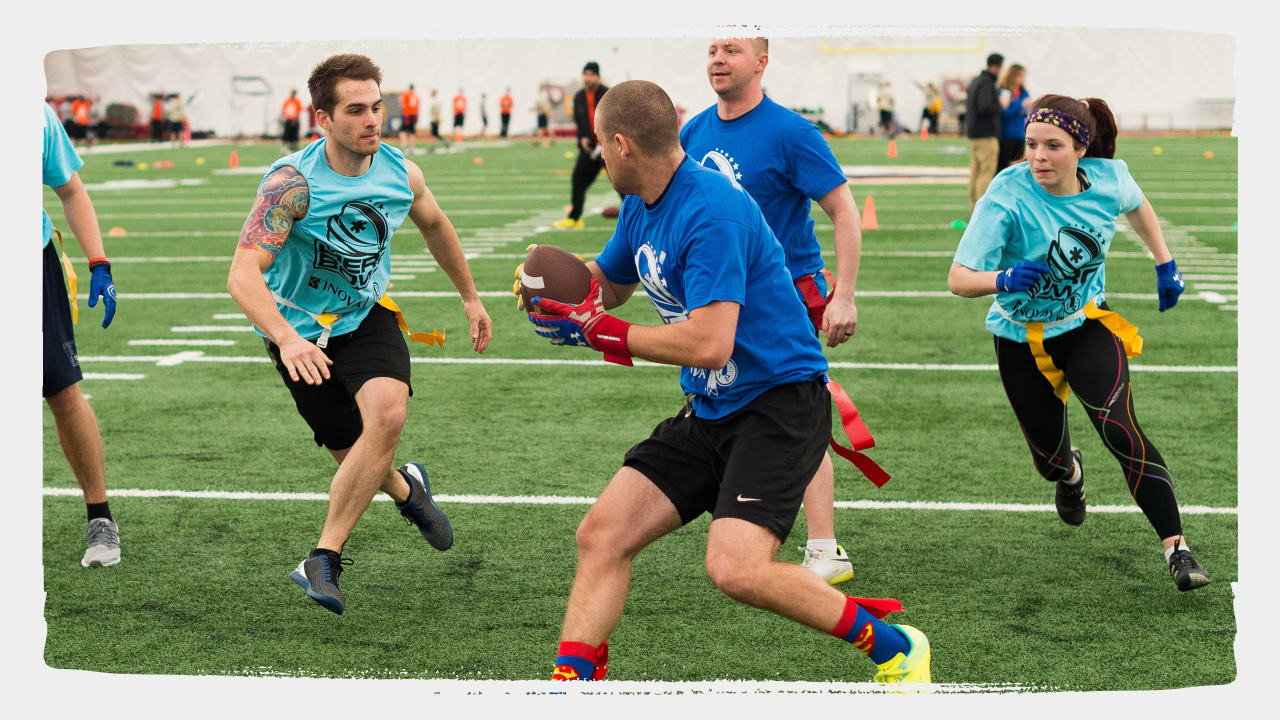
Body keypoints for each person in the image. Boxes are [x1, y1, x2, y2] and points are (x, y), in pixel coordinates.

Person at [520, 80, 931, 685]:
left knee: (738, 569)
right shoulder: (642, 200)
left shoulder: (710, 208)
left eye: (602, 148)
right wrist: (548, 289)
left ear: (622, 143)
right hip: (714, 405)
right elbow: (608, 283)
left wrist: (603, 333)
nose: (598, 159)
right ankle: (573, 683)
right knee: (602, 535)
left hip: (779, 403)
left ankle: (896, 646)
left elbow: (709, 344)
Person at [227, 54, 494, 615]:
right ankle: (408, 491)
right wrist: (287, 339)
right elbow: (242, 274)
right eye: (356, 110)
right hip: (297, 331)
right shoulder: (291, 184)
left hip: (366, 316)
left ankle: (322, 557)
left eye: (377, 106)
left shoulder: (400, 172)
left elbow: (436, 224)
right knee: (354, 453)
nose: (373, 119)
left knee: (388, 416)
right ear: (322, 119)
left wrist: (469, 296)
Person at [947, 94, 1211, 592]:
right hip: (1020, 340)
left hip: (1085, 324)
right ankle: (1070, 472)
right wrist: (1003, 279)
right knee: (1049, 462)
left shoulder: (1108, 178)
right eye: (1030, 145)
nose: (1038, 157)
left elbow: (1137, 204)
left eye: (1053, 145)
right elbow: (958, 279)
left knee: (1122, 430)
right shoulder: (1006, 194)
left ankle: (1177, 548)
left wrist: (1164, 261)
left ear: (1081, 149)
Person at [679, 36, 864, 585]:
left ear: (761, 62)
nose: (717, 58)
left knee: (793, 409)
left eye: (732, 50)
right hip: (725, 297)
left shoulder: (791, 132)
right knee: (732, 402)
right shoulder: (692, 132)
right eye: (712, 48)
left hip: (786, 293)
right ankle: (744, 512)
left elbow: (844, 211)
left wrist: (845, 295)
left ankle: (825, 547)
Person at [42, 101, 121, 568]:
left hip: (31, 264)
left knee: (64, 391)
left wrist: (99, 262)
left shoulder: (34, 111)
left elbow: (70, 190)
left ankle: (100, 517)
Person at [551, 62, 610, 230]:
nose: (587, 78)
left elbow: (615, 121)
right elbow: (580, 122)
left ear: (598, 76)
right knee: (578, 180)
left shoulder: (607, 94)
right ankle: (575, 218)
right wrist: (583, 139)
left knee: (621, 184)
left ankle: (637, 216)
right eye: (585, 74)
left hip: (607, 148)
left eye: (591, 75)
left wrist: (605, 143)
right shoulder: (578, 97)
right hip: (589, 150)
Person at [965, 53, 1004, 212]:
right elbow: (985, 106)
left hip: (975, 133)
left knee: (976, 172)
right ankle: (981, 209)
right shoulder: (987, 83)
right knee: (985, 173)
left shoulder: (976, 80)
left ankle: (974, 206)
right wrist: (1000, 106)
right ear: (996, 67)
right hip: (985, 134)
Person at [996, 64, 1030, 172]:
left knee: (1018, 167)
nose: (1022, 79)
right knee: (1004, 167)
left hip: (1020, 134)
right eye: (1020, 76)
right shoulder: (1004, 91)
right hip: (1006, 136)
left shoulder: (1023, 92)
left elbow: (1026, 111)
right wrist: (1020, 105)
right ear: (1013, 76)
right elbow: (1004, 113)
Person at [399, 84, 420, 153]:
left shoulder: (406, 94)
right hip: (414, 115)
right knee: (412, 132)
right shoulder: (416, 96)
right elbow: (417, 106)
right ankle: (412, 147)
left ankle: (404, 146)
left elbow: (402, 104)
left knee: (402, 131)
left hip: (407, 114)